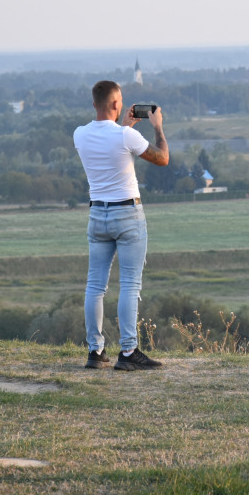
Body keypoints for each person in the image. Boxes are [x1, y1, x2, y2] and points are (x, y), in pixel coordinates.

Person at [73, 81, 169, 371]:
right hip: (127, 215)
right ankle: (128, 351)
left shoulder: (79, 134)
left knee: (95, 285)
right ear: (116, 104)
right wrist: (157, 127)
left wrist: (123, 124)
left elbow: (110, 144)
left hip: (97, 215)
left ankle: (95, 350)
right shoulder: (127, 136)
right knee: (129, 284)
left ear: (94, 104)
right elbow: (162, 158)